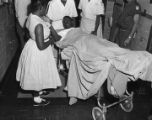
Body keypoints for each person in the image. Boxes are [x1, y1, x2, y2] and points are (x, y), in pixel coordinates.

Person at [16, 0, 62, 106]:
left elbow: (29, 34)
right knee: (37, 73)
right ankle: (37, 99)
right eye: (46, 8)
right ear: (41, 8)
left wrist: (46, 24)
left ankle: (39, 91)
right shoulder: (38, 25)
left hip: (32, 46)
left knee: (39, 72)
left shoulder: (31, 16)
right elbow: (41, 46)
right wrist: (51, 40)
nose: (46, 10)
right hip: (38, 51)